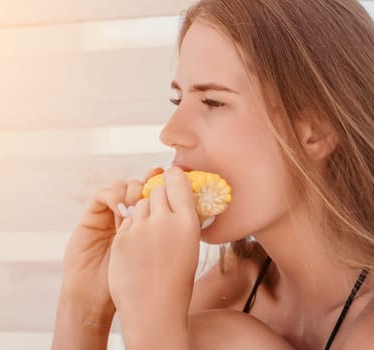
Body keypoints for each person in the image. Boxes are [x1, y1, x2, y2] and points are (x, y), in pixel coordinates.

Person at [51, 0, 374, 349]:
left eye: (213, 102)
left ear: (316, 130)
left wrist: (153, 322)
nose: (171, 132)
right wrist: (84, 304)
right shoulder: (233, 283)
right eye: (178, 101)